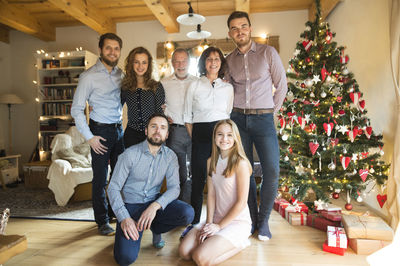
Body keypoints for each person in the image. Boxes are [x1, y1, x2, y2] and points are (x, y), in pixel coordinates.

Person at [225, 11, 288, 241]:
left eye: (243, 26)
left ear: (250, 28)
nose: (239, 31)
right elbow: (226, 90)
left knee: (271, 170)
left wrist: (271, 111)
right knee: (245, 171)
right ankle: (251, 219)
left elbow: (282, 86)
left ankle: (264, 222)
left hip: (264, 119)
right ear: (230, 33)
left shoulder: (268, 52)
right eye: (234, 28)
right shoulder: (228, 60)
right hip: (238, 120)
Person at [107, 113, 194, 265]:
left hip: (153, 202)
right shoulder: (129, 154)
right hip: (130, 207)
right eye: (153, 126)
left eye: (162, 128)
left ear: (167, 134)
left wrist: (155, 206)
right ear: (146, 131)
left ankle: (156, 228)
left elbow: (174, 188)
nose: (157, 131)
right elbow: (113, 188)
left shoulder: (170, 156)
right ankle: (132, 229)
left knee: (187, 213)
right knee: (125, 259)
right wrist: (124, 218)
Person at [71, 33, 124, 236]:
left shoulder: (122, 74)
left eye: (116, 48)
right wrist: (90, 137)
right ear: (101, 50)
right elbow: (76, 110)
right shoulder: (88, 76)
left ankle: (115, 213)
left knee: (119, 178)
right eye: (108, 48)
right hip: (99, 131)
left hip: (118, 130)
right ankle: (102, 221)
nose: (112, 52)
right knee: (100, 179)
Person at [179, 119, 252, 265]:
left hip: (236, 222)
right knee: (184, 252)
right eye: (220, 134)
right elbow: (211, 195)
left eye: (229, 135)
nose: (224, 139)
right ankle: (212, 241)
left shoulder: (241, 163)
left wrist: (219, 227)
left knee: (200, 258)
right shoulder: (211, 161)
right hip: (216, 218)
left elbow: (241, 202)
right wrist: (209, 223)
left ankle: (242, 243)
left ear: (235, 138)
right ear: (214, 137)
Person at [184, 46, 234, 224]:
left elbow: (227, 113)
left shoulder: (228, 87)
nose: (213, 62)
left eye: (217, 59)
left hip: (222, 139)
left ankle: (219, 221)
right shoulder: (194, 85)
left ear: (222, 63)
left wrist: (224, 139)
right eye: (209, 59)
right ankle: (194, 221)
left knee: (222, 179)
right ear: (203, 63)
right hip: (200, 136)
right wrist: (196, 138)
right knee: (198, 180)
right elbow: (187, 116)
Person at [161, 48, 198, 201]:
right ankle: (182, 208)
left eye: (184, 61)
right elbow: (159, 106)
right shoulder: (163, 83)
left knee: (196, 171)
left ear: (189, 63)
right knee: (179, 173)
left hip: (195, 132)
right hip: (175, 132)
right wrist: (164, 116)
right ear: (172, 63)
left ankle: (194, 208)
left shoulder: (198, 82)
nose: (180, 64)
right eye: (177, 61)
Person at [121, 46, 165, 148]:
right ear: (131, 64)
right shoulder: (126, 86)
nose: (140, 66)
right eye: (136, 62)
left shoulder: (156, 86)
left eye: (144, 62)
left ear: (148, 64)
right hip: (131, 135)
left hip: (152, 135)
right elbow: (115, 106)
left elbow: (159, 114)